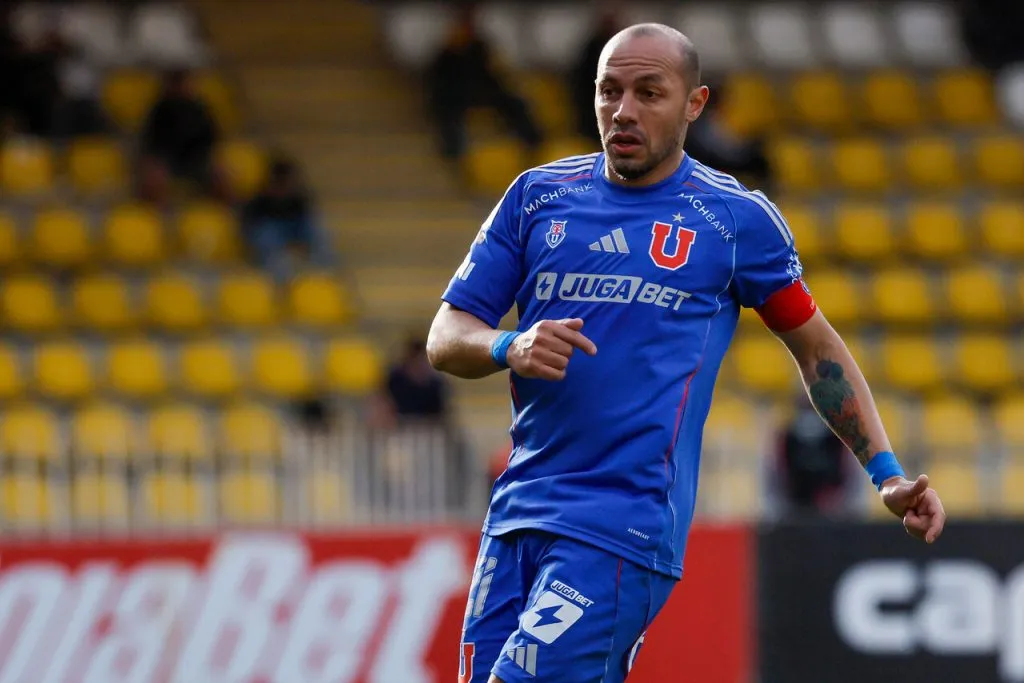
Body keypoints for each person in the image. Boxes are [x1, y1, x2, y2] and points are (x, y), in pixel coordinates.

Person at [426, 23, 947, 683]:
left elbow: (816, 350)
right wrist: (509, 343)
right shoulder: (536, 198)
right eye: (609, 91)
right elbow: (447, 335)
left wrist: (887, 473)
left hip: (624, 525)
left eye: (650, 92)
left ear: (694, 104)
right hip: (517, 515)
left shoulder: (733, 221)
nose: (624, 110)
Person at [425, 3, 542, 165]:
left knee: (515, 103)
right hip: (455, 95)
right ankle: (453, 150)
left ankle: (534, 144)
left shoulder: (481, 46)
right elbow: (439, 83)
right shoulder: (445, 52)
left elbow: (494, 77)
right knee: (447, 110)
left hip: (484, 92)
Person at [137, 68, 229, 206]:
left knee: (220, 175)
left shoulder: (199, 108)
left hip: (196, 158)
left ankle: (220, 213)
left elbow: (211, 137)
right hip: (167, 159)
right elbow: (150, 141)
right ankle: (156, 216)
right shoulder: (160, 109)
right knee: (154, 177)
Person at [240, 155, 332, 282]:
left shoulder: (300, 199)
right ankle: (281, 280)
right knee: (267, 236)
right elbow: (250, 230)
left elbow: (307, 226)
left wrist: (301, 246)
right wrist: (286, 247)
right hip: (273, 242)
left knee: (319, 231)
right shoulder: (258, 201)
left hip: (294, 235)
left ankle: (324, 273)